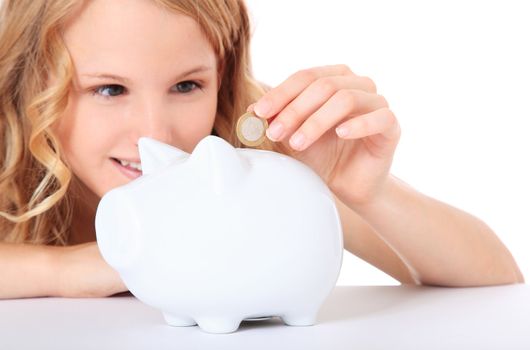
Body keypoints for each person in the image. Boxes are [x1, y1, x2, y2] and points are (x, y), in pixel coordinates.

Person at [0, 0, 524, 299]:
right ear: (30, 83)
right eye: (109, 89)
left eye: (187, 86)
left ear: (222, 78)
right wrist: (75, 270)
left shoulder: (251, 151)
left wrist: (369, 194)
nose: (154, 133)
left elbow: (498, 281)